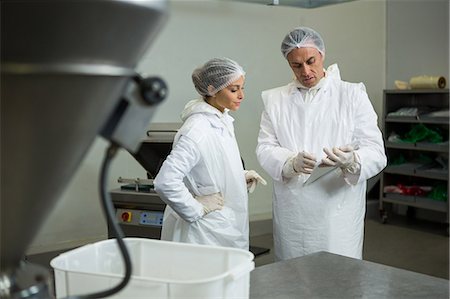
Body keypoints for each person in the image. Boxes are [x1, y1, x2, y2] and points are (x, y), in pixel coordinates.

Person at [256, 27, 386, 261]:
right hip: (293, 210)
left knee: (337, 279)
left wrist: (353, 161)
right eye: (296, 65)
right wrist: (289, 163)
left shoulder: (352, 94)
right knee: (293, 277)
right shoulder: (275, 100)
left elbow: (376, 151)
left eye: (310, 61)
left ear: (322, 54)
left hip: (337, 210)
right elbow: (265, 147)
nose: (305, 71)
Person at [154, 57, 266, 250]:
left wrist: (238, 177)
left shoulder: (221, 121)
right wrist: (196, 208)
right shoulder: (197, 130)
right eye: (233, 89)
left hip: (223, 224)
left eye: (242, 87)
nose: (241, 95)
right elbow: (165, 181)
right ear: (213, 89)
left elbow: (210, 168)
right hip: (203, 232)